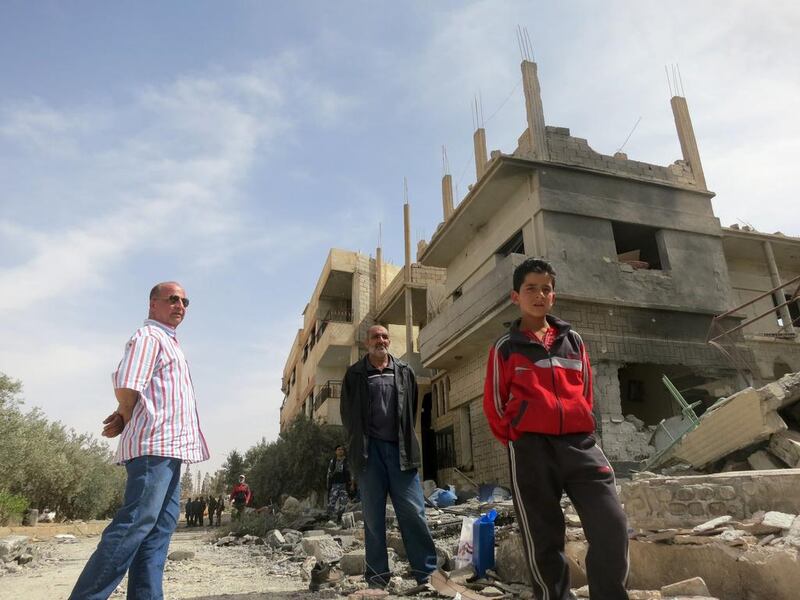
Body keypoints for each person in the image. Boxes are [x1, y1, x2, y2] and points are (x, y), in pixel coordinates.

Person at [483, 258, 629, 600]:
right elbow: (495, 403)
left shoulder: (573, 340)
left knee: (612, 525)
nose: (539, 295)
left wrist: (579, 422)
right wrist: (517, 436)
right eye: (530, 288)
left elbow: (586, 392)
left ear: (553, 296)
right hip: (531, 448)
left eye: (546, 288)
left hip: (579, 444)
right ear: (515, 297)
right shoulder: (505, 348)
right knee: (543, 536)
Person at [69, 281, 209, 600]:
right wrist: (123, 412)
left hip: (171, 450)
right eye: (173, 299)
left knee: (157, 534)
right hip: (153, 447)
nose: (180, 306)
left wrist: (124, 413)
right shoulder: (149, 336)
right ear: (153, 304)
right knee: (134, 525)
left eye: (186, 302)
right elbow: (128, 383)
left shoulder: (170, 342)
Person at [340, 324, 437, 589]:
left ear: (389, 340)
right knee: (373, 518)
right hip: (369, 454)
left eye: (384, 336)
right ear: (366, 342)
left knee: (414, 512)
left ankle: (426, 573)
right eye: (375, 337)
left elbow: (411, 408)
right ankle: (377, 578)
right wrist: (357, 446)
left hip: (400, 451)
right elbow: (347, 416)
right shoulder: (355, 374)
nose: (380, 340)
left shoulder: (404, 371)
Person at [326, 444, 353, 521]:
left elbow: (351, 472)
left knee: (343, 503)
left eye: (342, 449)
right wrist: (328, 484)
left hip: (344, 485)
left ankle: (339, 519)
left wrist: (352, 484)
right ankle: (328, 518)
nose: (340, 451)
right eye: (338, 449)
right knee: (331, 502)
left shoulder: (347, 461)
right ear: (335, 451)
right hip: (334, 484)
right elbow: (329, 473)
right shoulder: (333, 461)